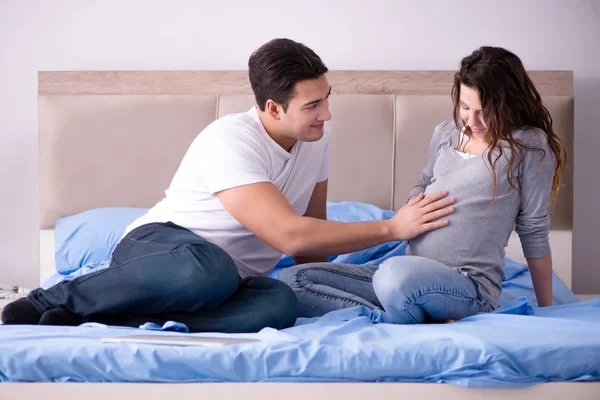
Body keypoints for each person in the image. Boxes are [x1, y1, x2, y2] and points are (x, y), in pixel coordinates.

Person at [2, 38, 454, 332]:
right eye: (313, 105)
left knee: (279, 302)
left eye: (327, 98)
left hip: (228, 280)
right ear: (273, 108)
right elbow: (287, 233)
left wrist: (364, 277)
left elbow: (308, 241)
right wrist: (392, 228)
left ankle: (103, 315)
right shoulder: (230, 140)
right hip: (161, 249)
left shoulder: (317, 137)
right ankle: (50, 299)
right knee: (208, 269)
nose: (327, 114)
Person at [279, 46, 566, 324]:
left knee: (395, 277)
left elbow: (534, 228)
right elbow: (423, 182)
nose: (473, 120)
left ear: (508, 104)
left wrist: (548, 310)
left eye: (485, 110)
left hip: (466, 286)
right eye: (465, 106)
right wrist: (412, 207)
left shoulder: (529, 147)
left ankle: (405, 309)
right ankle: (402, 313)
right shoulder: (445, 134)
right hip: (404, 272)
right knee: (294, 279)